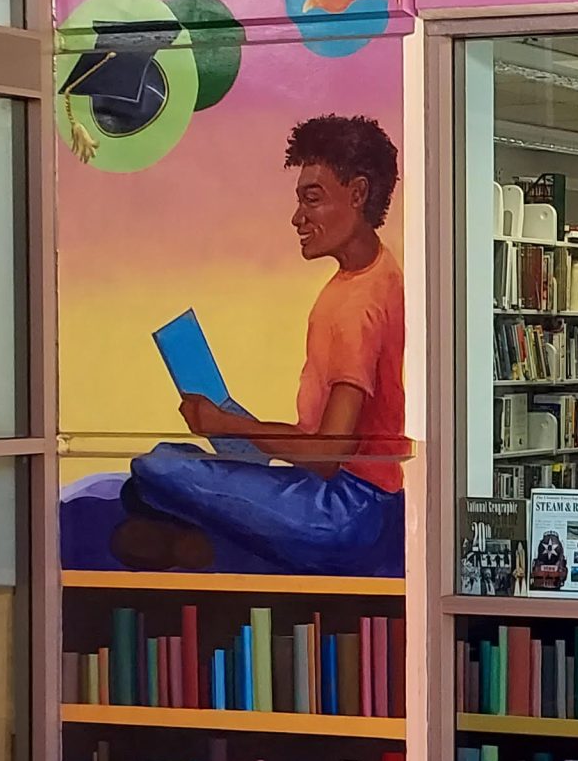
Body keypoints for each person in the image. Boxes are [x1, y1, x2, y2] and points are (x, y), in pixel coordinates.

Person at [111, 115, 406, 575]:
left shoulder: (357, 307)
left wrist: (227, 423)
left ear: (359, 193)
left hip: (343, 513)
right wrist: (235, 426)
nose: (297, 217)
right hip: (351, 495)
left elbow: (327, 456)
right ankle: (194, 531)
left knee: (156, 467)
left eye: (313, 199)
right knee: (172, 459)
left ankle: (201, 539)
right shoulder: (379, 274)